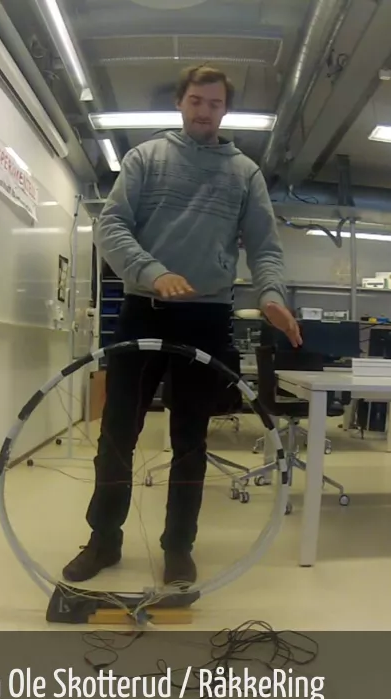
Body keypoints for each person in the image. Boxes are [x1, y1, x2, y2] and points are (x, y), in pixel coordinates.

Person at [62, 64, 301, 586]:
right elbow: (111, 225)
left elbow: (265, 247)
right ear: (180, 102)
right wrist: (153, 272)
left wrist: (271, 295)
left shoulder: (245, 173)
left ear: (225, 110)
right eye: (196, 101)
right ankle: (103, 541)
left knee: (190, 440)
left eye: (215, 104)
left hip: (207, 317)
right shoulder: (146, 158)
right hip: (143, 309)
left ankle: (178, 547)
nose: (204, 111)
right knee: (117, 433)